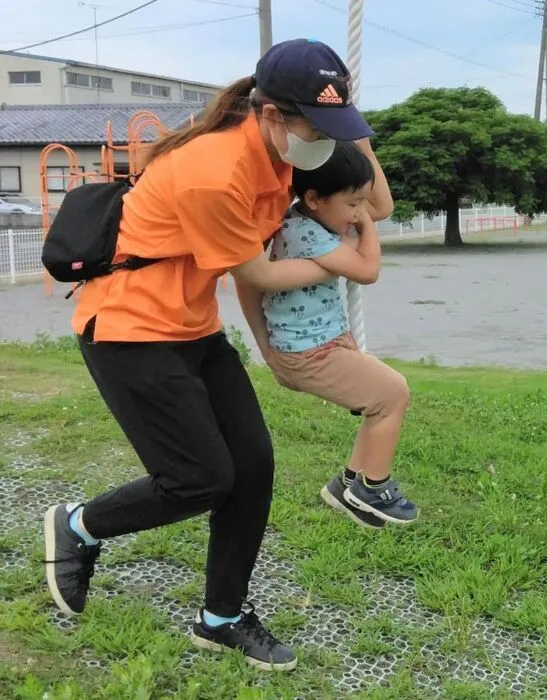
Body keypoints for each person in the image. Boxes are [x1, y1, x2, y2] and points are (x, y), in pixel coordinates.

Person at [43, 38, 393, 672]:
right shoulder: (216, 171)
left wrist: (357, 134)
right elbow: (256, 274)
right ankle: (78, 527)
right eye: (317, 126)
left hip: (191, 326)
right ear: (270, 115)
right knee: (200, 478)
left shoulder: (284, 154)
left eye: (333, 127)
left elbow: (377, 205)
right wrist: (335, 262)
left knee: (253, 466)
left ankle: (221, 618)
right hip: (129, 328)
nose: (325, 141)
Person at [248, 142, 417, 529]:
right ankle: (373, 487)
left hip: (322, 343)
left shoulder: (315, 223)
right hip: (308, 352)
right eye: (353, 203)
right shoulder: (304, 232)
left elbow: (379, 209)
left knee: (380, 402)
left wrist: (364, 148)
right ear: (313, 199)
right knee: (393, 394)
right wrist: (367, 227)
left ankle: (348, 485)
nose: (360, 212)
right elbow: (368, 269)